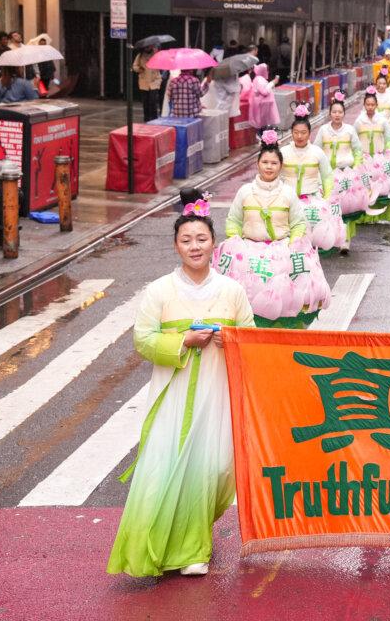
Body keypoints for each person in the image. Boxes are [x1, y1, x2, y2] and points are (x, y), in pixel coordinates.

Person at [107, 188, 256, 578]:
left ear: (214, 244)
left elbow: (253, 338)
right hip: (171, 395)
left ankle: (195, 541)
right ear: (176, 245)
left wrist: (231, 340)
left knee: (214, 470)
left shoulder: (232, 291)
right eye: (186, 240)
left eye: (201, 239)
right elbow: (143, 339)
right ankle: (175, 550)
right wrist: (183, 342)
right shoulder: (159, 291)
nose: (195, 246)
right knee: (165, 469)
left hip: (217, 395)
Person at [212, 135, 332, 328]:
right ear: (257, 164)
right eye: (265, 162)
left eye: (274, 163)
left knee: (285, 299)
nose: (269, 166)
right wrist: (237, 244)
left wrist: (292, 246)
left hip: (282, 250)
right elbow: (233, 220)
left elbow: (298, 224)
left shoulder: (288, 193)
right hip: (250, 251)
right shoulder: (244, 191)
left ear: (281, 165)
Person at [281, 107, 345, 255]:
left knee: (310, 237)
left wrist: (326, 198)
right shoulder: (283, 152)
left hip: (311, 200)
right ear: (291, 133)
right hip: (288, 199)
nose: (299, 136)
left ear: (309, 134)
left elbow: (327, 176)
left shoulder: (317, 152)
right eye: (296, 132)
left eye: (303, 133)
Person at [315, 92, 371, 248]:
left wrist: (355, 168)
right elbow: (316, 149)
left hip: (345, 173)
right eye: (334, 112)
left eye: (340, 112)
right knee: (329, 206)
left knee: (346, 207)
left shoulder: (350, 130)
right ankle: (330, 237)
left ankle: (346, 238)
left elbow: (358, 150)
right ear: (330, 113)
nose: (337, 115)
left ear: (344, 113)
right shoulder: (323, 130)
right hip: (327, 175)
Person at [354, 85, 390, 219]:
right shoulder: (359, 122)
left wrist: (388, 151)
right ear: (364, 105)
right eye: (367, 104)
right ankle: (365, 217)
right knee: (365, 186)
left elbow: (389, 137)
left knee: (382, 186)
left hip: (379, 159)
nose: (370, 107)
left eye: (372, 104)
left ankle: (382, 215)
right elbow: (354, 141)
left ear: (376, 105)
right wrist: (357, 157)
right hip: (364, 159)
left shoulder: (382, 120)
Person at [133, 46, 161, 122]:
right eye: (146, 47)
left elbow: (161, 64)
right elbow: (134, 66)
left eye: (149, 46)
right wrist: (139, 69)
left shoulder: (156, 54)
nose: (148, 48)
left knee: (153, 101)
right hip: (144, 81)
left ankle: (154, 119)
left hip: (154, 81)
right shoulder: (140, 55)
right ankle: (146, 119)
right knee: (145, 102)